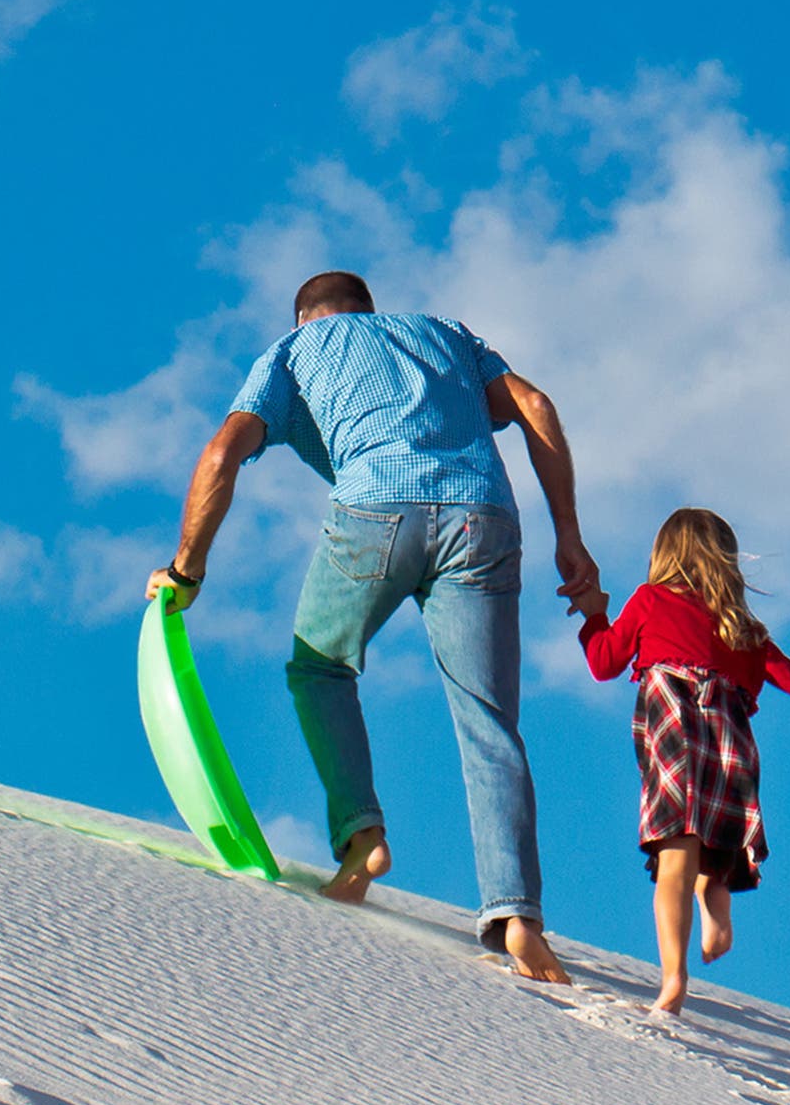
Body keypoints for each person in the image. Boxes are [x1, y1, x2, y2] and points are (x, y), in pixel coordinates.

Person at [145, 271, 597, 983]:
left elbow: (220, 453)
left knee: (319, 668)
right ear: (370, 310)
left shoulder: (295, 351)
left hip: (376, 509)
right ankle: (519, 918)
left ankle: (361, 834)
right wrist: (569, 535)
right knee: (489, 723)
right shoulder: (445, 335)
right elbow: (535, 404)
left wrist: (186, 569)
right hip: (484, 518)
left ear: (306, 318)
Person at [570, 507, 790, 1014]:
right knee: (712, 857)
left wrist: (593, 616)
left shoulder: (650, 600)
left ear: (664, 555)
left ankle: (674, 978)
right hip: (728, 743)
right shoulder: (742, 630)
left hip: (675, 735)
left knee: (675, 858)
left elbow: (605, 662)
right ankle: (717, 915)